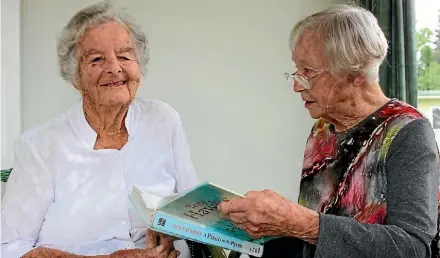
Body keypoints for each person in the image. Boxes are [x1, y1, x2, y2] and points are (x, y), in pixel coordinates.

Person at [219, 4, 440, 258]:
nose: (296, 85)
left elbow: (412, 248)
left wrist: (301, 222)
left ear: (355, 74)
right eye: (296, 69)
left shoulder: (408, 132)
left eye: (308, 72)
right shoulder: (323, 129)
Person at [1, 2, 199, 258]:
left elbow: (194, 210)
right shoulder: (39, 146)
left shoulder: (164, 120)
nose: (115, 68)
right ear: (75, 75)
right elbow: (9, 248)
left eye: (125, 56)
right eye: (97, 59)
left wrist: (174, 231)